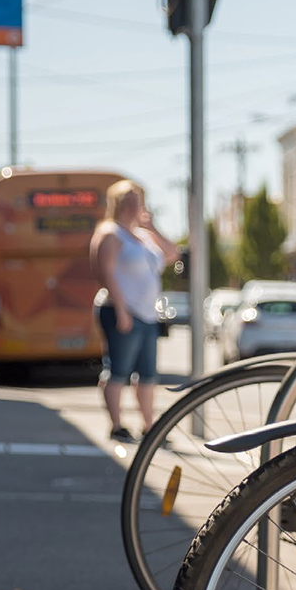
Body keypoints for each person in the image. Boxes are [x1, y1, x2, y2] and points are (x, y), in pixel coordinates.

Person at [89, 180, 178, 441]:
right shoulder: (110, 233)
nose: (133, 204)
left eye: (137, 198)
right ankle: (117, 426)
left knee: (148, 375)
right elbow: (105, 273)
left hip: (148, 314)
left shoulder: (142, 236)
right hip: (122, 312)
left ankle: (149, 427)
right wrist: (121, 309)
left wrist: (151, 226)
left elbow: (172, 254)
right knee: (118, 371)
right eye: (127, 199)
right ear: (116, 202)